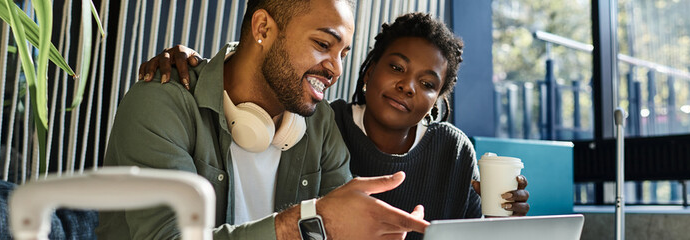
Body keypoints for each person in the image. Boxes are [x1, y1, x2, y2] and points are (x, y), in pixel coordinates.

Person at [142, 12, 531, 240]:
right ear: (369, 72)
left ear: (438, 100)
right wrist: (203, 67)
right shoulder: (326, 121)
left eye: (427, 84)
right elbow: (265, 62)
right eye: (396, 67)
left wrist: (503, 220)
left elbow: (475, 231)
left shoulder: (453, 148)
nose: (407, 86)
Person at [97, 0, 429, 239]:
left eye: (342, 54)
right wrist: (299, 224)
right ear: (263, 28)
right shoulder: (162, 104)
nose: (336, 69)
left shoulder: (320, 124)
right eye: (323, 44)